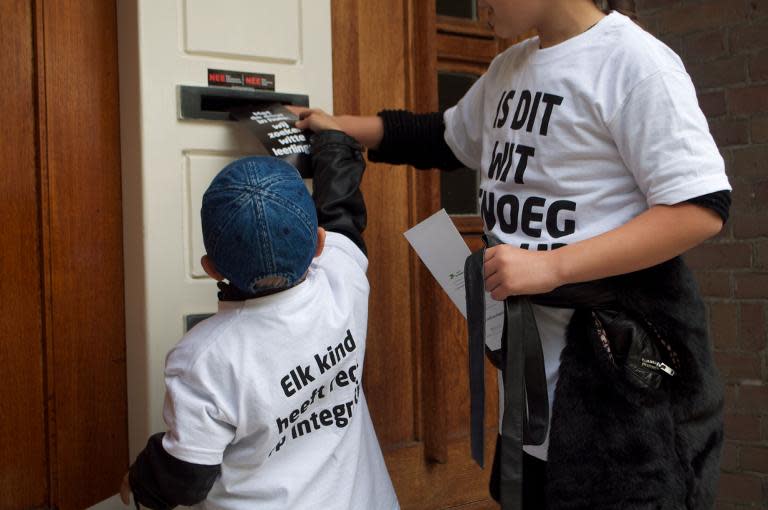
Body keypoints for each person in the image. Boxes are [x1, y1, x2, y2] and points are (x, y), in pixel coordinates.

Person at [292, 0, 731, 508]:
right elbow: (443, 136)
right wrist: (338, 127)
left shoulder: (634, 63)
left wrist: (552, 267)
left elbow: (700, 207)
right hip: (530, 375)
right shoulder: (509, 67)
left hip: (620, 389)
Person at [119, 113, 399, 510]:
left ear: (210, 268)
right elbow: (343, 218)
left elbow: (185, 476)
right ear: (319, 244)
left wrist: (139, 479)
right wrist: (333, 144)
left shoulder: (204, 358)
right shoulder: (344, 281)